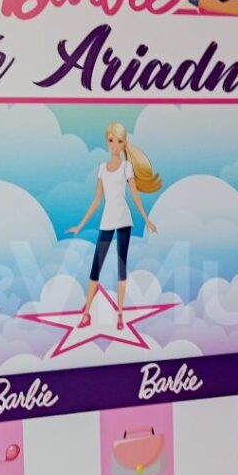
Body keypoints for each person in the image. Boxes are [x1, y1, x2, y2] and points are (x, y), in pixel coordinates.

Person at [67, 122, 160, 329]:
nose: (114, 145)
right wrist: (80, 225)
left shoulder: (127, 167)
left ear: (124, 143)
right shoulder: (102, 168)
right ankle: (86, 314)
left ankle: (119, 315)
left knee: (121, 266)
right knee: (96, 267)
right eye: (111, 140)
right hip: (107, 220)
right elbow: (96, 200)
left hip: (124, 220)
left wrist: (146, 219)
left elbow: (134, 195)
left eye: (118, 141)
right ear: (107, 141)